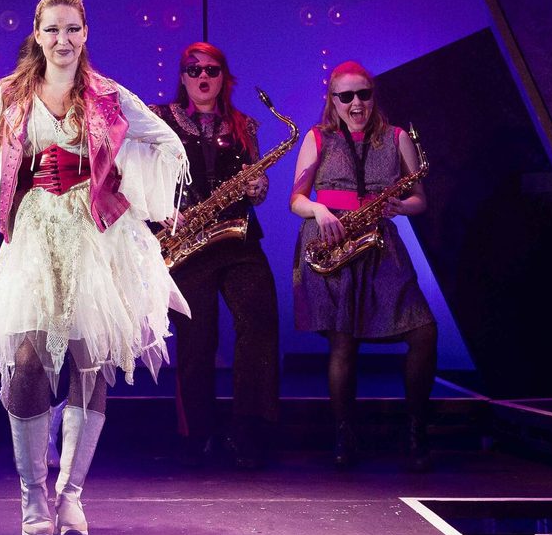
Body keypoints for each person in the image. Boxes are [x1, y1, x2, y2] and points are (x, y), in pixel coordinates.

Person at [0, 0, 189, 535]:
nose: (62, 40)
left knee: (88, 360)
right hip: (35, 236)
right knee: (27, 359)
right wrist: (15, 171)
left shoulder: (107, 94)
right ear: (36, 33)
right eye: (52, 29)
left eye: (72, 28)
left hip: (95, 235)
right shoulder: (12, 94)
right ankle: (34, 496)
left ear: (86, 33)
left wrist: (115, 169)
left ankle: (72, 497)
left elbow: (168, 145)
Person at [290, 61, 436, 472]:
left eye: (364, 94)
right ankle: (344, 433)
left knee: (424, 332)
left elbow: (419, 198)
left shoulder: (397, 138)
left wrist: (401, 205)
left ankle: (416, 428)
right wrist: (319, 211)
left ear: (373, 95)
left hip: (379, 243)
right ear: (332, 101)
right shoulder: (317, 137)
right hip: (332, 242)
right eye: (347, 96)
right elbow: (295, 199)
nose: (357, 103)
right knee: (343, 343)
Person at [150, 42, 280, 470]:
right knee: (197, 339)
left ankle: (251, 430)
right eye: (193, 70)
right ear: (183, 76)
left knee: (258, 323)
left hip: (237, 239)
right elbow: (138, 177)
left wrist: (253, 184)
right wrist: (163, 213)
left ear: (224, 76)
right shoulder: (159, 120)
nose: (203, 77)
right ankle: (198, 434)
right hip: (187, 243)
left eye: (211, 70)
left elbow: (259, 190)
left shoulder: (244, 124)